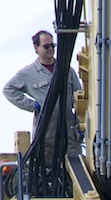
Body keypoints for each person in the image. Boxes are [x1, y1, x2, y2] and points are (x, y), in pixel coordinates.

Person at [3, 30, 82, 163]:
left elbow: (81, 100)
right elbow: (8, 89)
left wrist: (81, 126)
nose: (50, 49)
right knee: (47, 174)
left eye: (53, 46)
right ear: (36, 48)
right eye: (46, 46)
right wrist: (33, 105)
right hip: (46, 135)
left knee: (74, 169)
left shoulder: (67, 70)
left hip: (69, 133)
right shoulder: (28, 73)